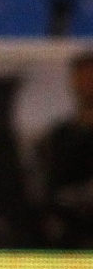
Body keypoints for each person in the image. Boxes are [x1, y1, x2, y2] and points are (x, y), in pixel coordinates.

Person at [37, 52, 93, 249]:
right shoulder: (60, 135)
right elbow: (50, 187)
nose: (87, 83)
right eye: (82, 76)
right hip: (71, 232)